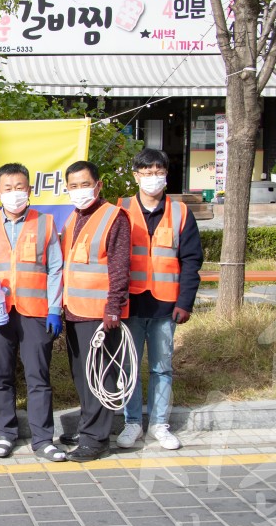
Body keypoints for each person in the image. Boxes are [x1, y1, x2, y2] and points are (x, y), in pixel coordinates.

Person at [115, 149, 203, 451]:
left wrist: (185, 302)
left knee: (162, 367)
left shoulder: (180, 212)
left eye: (158, 171)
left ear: (166, 174)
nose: (153, 177)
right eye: (146, 171)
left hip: (167, 305)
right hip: (131, 304)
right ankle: (132, 423)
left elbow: (192, 260)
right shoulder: (122, 209)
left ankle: (159, 424)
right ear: (136, 175)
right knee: (130, 367)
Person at [0, 163, 66, 462]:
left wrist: (55, 309)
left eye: (20, 188)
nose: (14, 194)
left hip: (36, 312)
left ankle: (43, 439)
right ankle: (6, 433)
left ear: (29, 190)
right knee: (2, 376)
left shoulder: (44, 223)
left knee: (38, 378)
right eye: (8, 188)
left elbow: (56, 267)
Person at [60, 160, 131, 462]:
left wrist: (113, 308)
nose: (79, 191)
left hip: (100, 314)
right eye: (73, 186)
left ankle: (96, 440)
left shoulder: (114, 217)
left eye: (84, 184)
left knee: (99, 377)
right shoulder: (72, 219)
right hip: (73, 311)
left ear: (98, 185)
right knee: (82, 374)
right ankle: (88, 427)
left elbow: (119, 267)